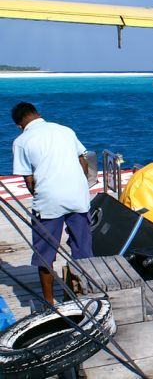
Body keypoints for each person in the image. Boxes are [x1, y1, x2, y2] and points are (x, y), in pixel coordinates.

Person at [11, 102, 92, 304]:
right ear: (37, 114)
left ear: (19, 124)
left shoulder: (21, 141)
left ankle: (49, 301)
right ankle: (88, 292)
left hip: (49, 201)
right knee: (83, 248)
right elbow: (83, 161)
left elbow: (29, 180)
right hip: (78, 196)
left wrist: (38, 190)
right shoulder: (65, 130)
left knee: (45, 252)